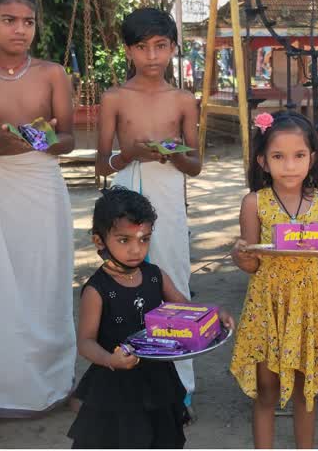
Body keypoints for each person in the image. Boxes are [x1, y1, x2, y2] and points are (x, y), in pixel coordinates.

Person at [0, 0, 76, 434]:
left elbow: (67, 141)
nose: (21, 30)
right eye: (10, 21)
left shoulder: (53, 73)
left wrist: (40, 138)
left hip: (42, 187)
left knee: (47, 288)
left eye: (28, 21)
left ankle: (57, 387)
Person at [68, 187, 234, 448]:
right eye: (124, 240)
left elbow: (185, 307)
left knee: (162, 438)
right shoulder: (96, 290)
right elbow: (85, 342)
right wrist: (110, 359)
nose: (136, 249)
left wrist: (214, 312)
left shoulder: (155, 275)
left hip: (158, 379)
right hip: (116, 385)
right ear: (100, 241)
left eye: (144, 239)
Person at [95, 7, 201, 416]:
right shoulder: (115, 99)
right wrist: (131, 155)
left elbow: (196, 164)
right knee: (124, 286)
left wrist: (172, 155)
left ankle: (181, 388)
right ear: (129, 51)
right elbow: (102, 165)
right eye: (142, 47)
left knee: (172, 279)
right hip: (125, 199)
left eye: (160, 46)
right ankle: (127, 381)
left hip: (170, 198)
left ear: (173, 48)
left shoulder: (183, 100)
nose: (152, 56)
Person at [230, 111, 318, 449]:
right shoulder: (254, 203)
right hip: (268, 305)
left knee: (304, 390)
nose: (290, 165)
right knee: (266, 389)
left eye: (299, 155)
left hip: (310, 305)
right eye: (278, 156)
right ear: (263, 161)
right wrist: (242, 255)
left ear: (312, 158)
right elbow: (251, 263)